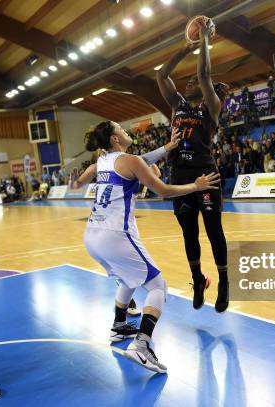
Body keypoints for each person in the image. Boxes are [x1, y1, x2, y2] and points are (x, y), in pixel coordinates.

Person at [74, 121, 219, 373]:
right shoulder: (130, 161)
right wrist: (196, 186)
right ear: (115, 139)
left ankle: (120, 325)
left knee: (128, 277)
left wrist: (166, 147)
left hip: (92, 235)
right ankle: (141, 344)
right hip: (115, 235)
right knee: (158, 286)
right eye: (121, 128)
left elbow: (138, 161)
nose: (126, 130)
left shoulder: (102, 162)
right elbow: (162, 189)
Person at [156, 17, 230, 312]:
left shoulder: (211, 108)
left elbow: (204, 75)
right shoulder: (177, 106)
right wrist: (187, 47)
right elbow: (162, 75)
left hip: (205, 175)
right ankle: (198, 279)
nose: (190, 83)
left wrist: (204, 44)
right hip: (180, 176)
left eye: (197, 83)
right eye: (187, 83)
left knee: (214, 232)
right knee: (189, 234)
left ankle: (224, 282)